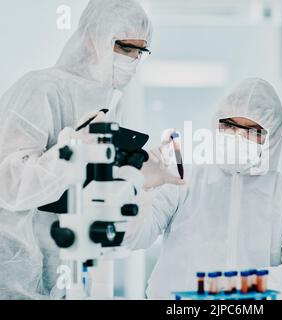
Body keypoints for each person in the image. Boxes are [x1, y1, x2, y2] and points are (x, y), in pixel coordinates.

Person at [0, 0, 183, 299]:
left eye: (140, 51)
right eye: (125, 48)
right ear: (91, 39)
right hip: (15, 273)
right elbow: (9, 184)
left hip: (68, 273)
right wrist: (69, 154)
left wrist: (137, 179)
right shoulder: (40, 89)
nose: (133, 59)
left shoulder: (109, 105)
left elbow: (94, 200)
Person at [125, 78, 282, 299]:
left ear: (273, 138)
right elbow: (133, 236)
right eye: (231, 126)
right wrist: (139, 187)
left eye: (253, 131)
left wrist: (235, 291)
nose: (239, 137)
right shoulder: (182, 181)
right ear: (217, 124)